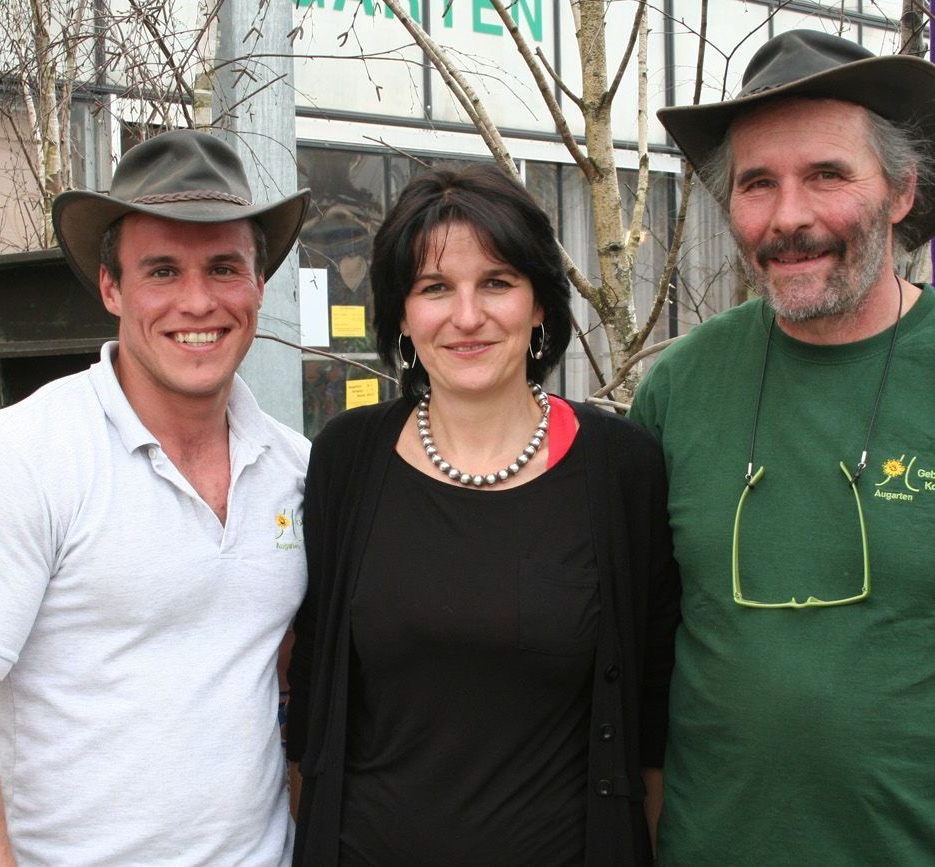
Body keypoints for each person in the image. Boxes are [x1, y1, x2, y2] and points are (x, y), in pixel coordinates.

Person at [629, 29, 935, 864]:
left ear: (901, 190)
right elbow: (643, 671)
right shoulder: (679, 389)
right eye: (757, 184)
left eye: (827, 174)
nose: (789, 218)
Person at [0, 130, 312, 866]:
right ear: (111, 287)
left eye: (223, 267)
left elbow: (300, 687)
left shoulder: (296, 467)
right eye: (162, 271)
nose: (198, 300)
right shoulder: (18, 458)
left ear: (259, 283)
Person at [285, 164, 679, 866]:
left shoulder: (622, 469)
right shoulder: (348, 459)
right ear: (402, 315)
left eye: (496, 282)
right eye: (435, 288)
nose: (467, 316)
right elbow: (312, 699)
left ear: (539, 306)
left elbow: (650, 719)